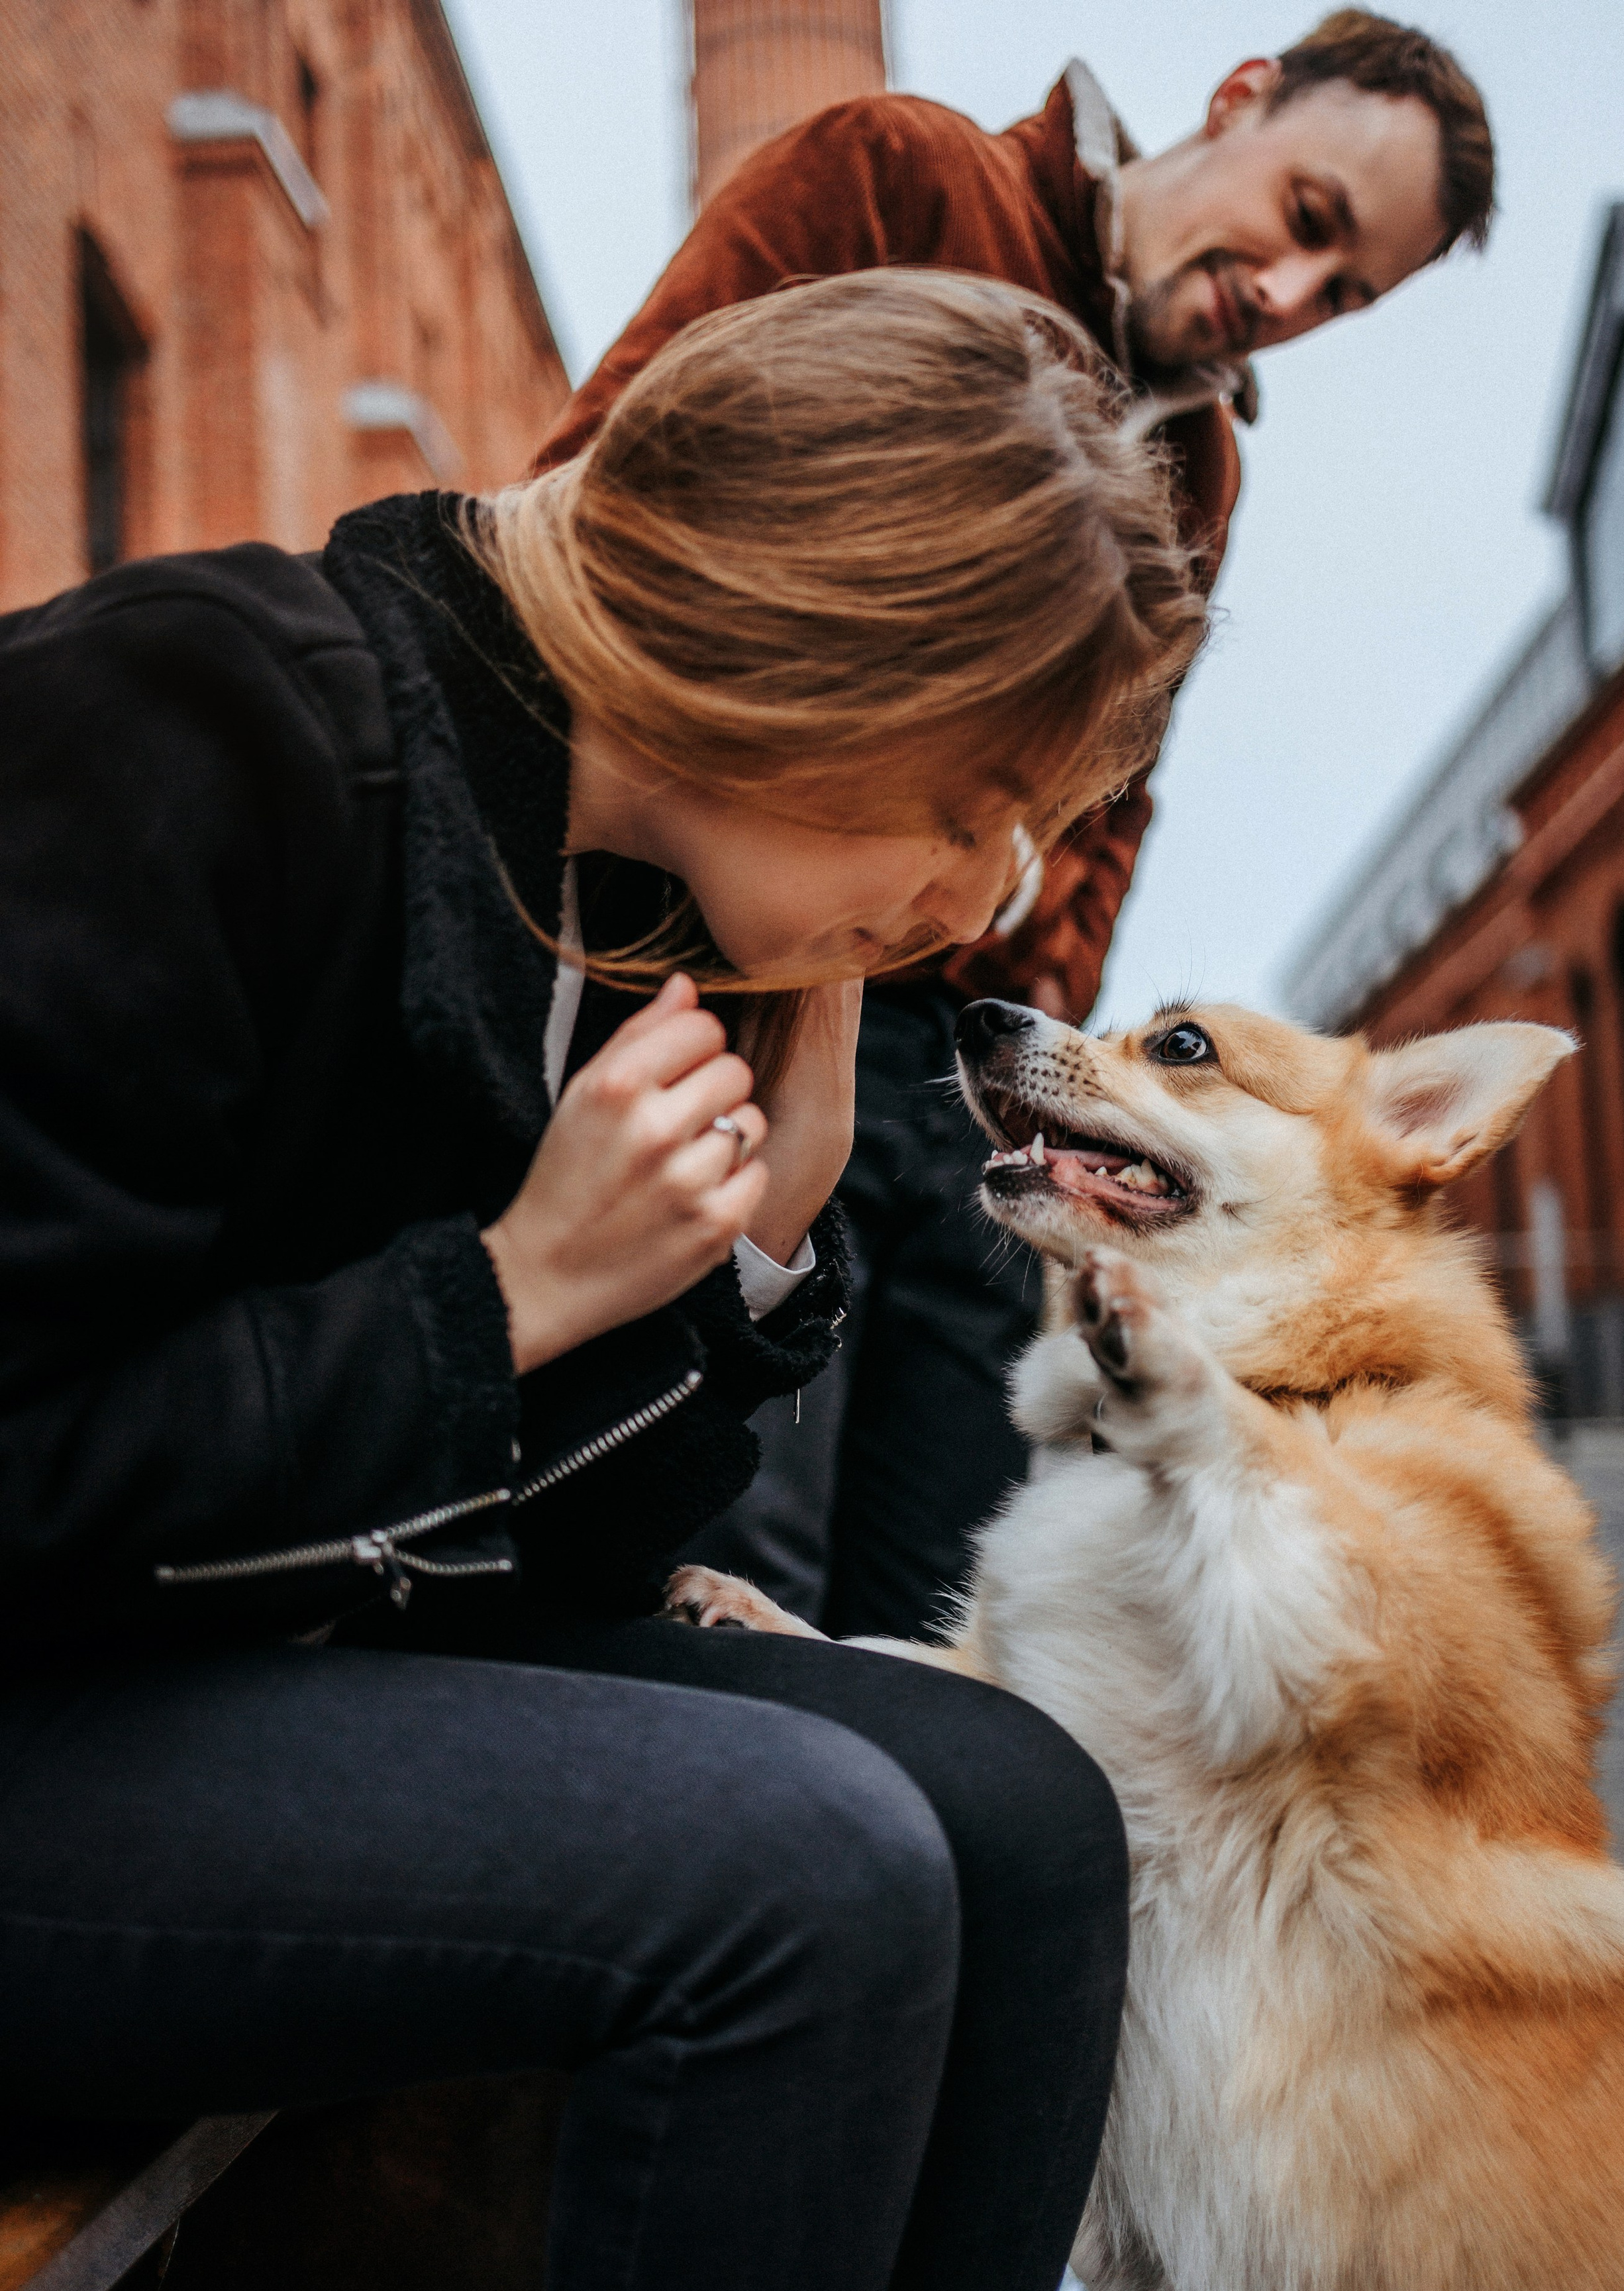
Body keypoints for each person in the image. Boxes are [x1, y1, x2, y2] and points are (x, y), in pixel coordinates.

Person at [0, 274, 1206, 2291]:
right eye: (976, 804)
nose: (986, 902)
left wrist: (751, 1268)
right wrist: (507, 1295)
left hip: (227, 1676)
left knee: (1026, 1817)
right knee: (807, 1880)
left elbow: (534, 1565)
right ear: (801, 655)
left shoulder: (620, 895)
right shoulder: (203, 724)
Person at [536, 8, 1495, 1648]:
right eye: (1307, 219)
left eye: (1343, 293)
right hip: (755, 991)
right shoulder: (899, 178)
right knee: (719, 1589)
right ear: (1239, 98)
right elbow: (601, 493)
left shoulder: (1202, 466)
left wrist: (1047, 988)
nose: (1288, 292)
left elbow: (1119, 789)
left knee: (938, 1610)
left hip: (972, 1085)